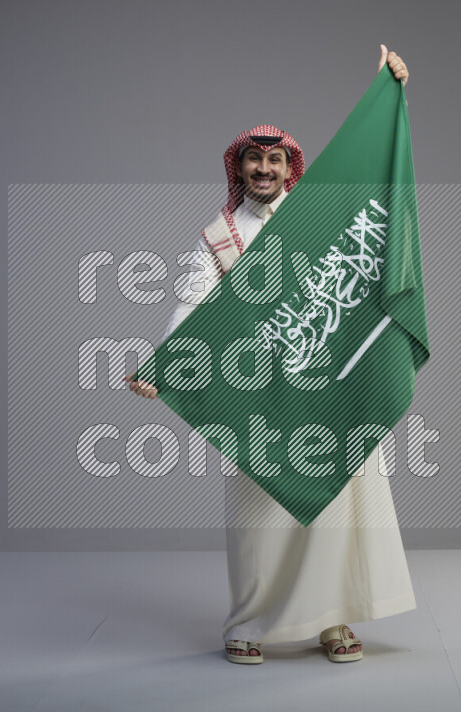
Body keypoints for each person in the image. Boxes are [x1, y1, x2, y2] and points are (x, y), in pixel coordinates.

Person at [126, 46, 412, 664]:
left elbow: (371, 188)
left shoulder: (319, 221)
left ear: (289, 168)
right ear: (240, 169)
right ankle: (246, 625)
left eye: (274, 158)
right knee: (258, 521)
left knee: (338, 507)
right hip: (256, 396)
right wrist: (161, 363)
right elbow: (192, 304)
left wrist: (389, 91)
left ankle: (334, 622)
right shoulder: (217, 237)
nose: (263, 168)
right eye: (253, 159)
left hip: (328, 387)